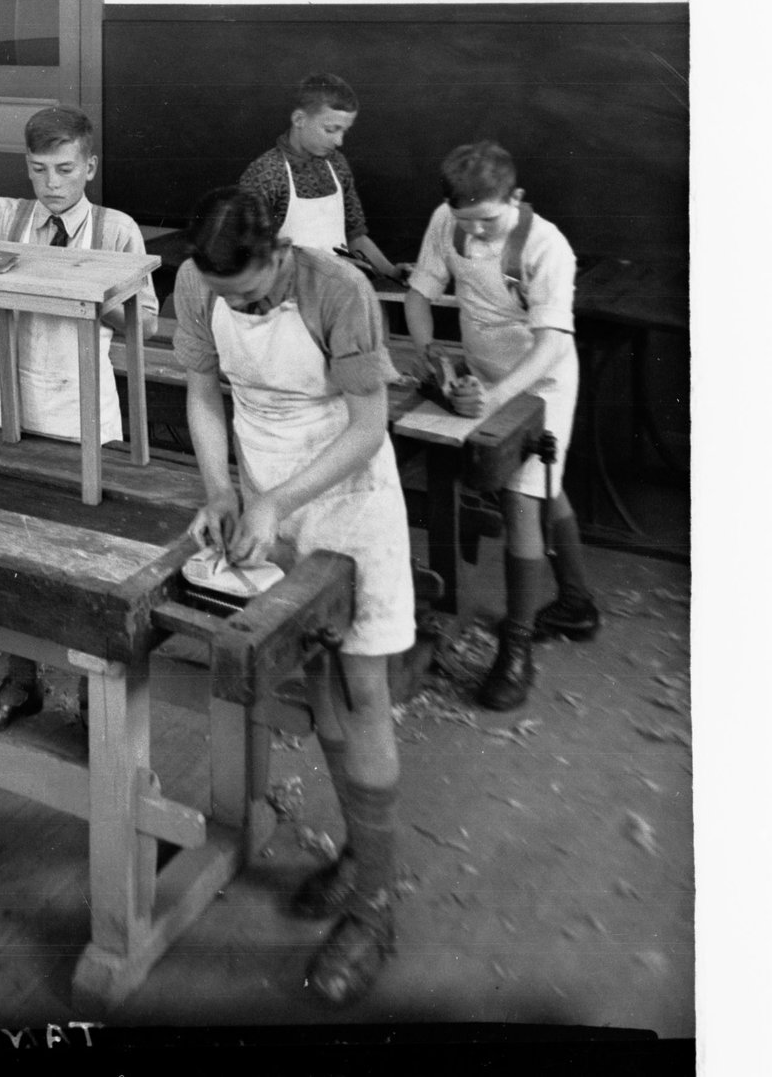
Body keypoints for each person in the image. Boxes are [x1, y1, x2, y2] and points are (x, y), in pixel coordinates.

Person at [172, 185, 412, 1006]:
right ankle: (358, 858)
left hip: (347, 493)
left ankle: (377, 906)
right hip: (269, 489)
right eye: (228, 296)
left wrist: (276, 501)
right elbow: (205, 393)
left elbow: (369, 424)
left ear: (277, 249)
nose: (243, 304)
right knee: (318, 685)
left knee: (364, 686)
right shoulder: (197, 282)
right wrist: (221, 492)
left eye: (252, 290)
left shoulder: (337, 291)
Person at [0, 104, 159, 729]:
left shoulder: (117, 229)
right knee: (6, 545)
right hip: (8, 398)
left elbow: (143, 321)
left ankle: (96, 701)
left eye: (66, 170)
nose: (52, 184)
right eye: (39, 169)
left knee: (86, 553)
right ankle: (21, 680)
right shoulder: (0, 216)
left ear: (89, 166)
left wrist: (99, 294)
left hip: (81, 409)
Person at [403, 141, 594, 712]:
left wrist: (495, 399)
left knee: (519, 494)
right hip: (482, 373)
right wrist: (432, 355)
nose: (479, 235)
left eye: (488, 221)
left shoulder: (546, 246)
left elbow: (552, 342)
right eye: (468, 223)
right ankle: (578, 602)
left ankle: (515, 651)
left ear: (515, 198)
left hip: (540, 383)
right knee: (543, 485)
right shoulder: (447, 220)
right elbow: (419, 294)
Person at [238, 73, 405, 280]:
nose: (339, 141)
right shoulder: (266, 174)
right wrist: (327, 266)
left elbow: (356, 237)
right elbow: (251, 256)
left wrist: (393, 272)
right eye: (331, 129)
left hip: (338, 292)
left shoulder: (337, 164)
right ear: (299, 119)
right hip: (288, 299)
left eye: (344, 131)